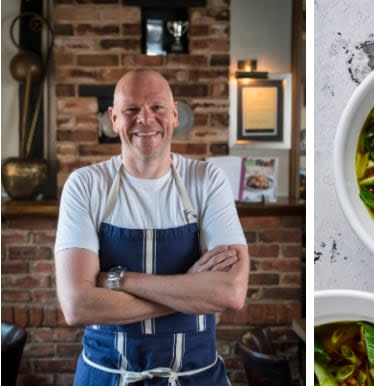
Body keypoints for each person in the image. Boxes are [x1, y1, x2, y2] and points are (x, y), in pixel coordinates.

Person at [54, 70, 249, 386]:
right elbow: (77, 305)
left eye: (157, 107)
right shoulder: (86, 185)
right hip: (105, 377)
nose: (145, 119)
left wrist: (122, 280)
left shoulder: (207, 181)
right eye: (131, 110)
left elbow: (231, 293)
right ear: (113, 118)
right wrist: (191, 290)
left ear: (174, 115)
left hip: (195, 378)